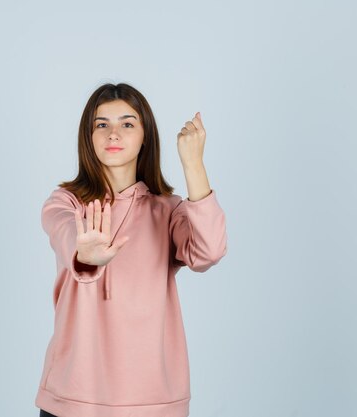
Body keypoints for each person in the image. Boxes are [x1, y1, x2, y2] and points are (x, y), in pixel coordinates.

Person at [35, 82, 228, 417]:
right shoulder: (65, 203)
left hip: (153, 402)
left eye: (127, 124)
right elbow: (65, 232)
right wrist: (85, 256)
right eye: (102, 125)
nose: (113, 134)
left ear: (144, 136)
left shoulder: (169, 211)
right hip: (72, 399)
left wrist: (193, 165)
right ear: (88, 137)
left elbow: (208, 250)